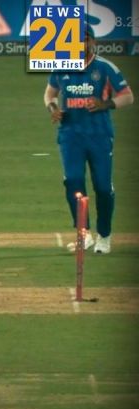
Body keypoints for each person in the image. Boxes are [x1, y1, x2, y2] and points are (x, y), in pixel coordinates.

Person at [44, 26, 133, 254]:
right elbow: (50, 93)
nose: (81, 44)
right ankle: (84, 235)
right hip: (70, 135)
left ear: (93, 42)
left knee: (102, 187)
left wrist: (106, 104)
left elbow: (128, 97)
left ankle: (104, 236)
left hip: (99, 136)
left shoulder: (105, 67)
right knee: (73, 182)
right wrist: (53, 108)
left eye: (85, 39)